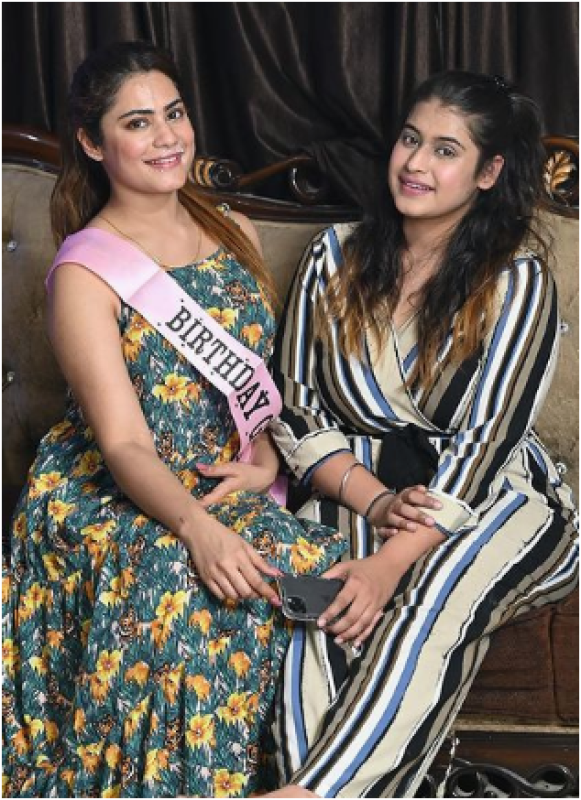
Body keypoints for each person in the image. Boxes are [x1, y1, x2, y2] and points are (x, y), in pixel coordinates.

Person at [1, 41, 349, 798]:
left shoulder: (235, 230)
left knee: (326, 587)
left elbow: (258, 388)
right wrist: (197, 527)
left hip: (220, 479)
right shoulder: (86, 270)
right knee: (182, 578)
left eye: (175, 114)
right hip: (110, 490)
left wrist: (263, 460)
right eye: (138, 123)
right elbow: (124, 442)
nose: (167, 138)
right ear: (93, 143)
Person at [267, 71, 579, 797]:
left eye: (445, 150)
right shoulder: (332, 256)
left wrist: (389, 563)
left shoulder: (516, 278)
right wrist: (374, 503)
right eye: (411, 140)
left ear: (487, 172)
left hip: (497, 495)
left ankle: (309, 793)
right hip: (356, 482)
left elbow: (484, 442)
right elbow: (298, 407)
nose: (415, 163)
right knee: (316, 608)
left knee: (430, 598)